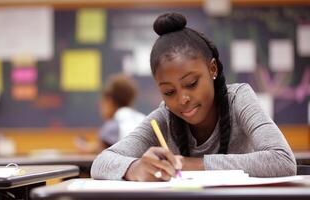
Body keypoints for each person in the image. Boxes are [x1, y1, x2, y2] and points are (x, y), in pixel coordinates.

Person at [90, 12, 296, 181]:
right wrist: (135, 168)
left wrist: (193, 165)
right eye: (169, 92)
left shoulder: (239, 99)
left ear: (212, 68)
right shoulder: (163, 118)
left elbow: (283, 160)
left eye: (191, 84)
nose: (182, 99)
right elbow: (102, 162)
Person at [76, 73, 146, 153]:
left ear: (109, 100)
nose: (100, 107)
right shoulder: (141, 118)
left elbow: (101, 152)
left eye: (102, 102)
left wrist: (84, 148)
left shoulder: (113, 126)